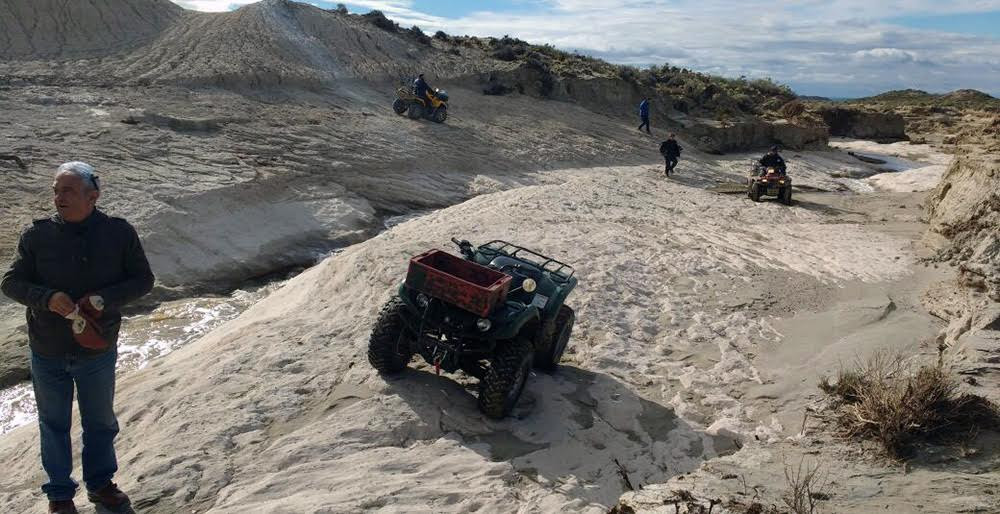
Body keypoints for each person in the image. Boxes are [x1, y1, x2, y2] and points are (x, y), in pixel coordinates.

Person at [1, 162, 154, 514]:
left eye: (67, 191)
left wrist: (104, 299)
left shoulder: (118, 233)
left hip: (97, 348)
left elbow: (143, 280)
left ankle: (101, 485)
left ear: (93, 196)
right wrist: (47, 298)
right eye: (56, 191)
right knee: (53, 423)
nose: (59, 198)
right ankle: (59, 495)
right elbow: (10, 283)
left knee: (99, 421)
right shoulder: (36, 235)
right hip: (47, 347)